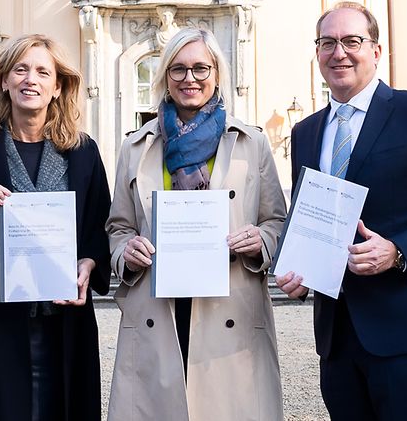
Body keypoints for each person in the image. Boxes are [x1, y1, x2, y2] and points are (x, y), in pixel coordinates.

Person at [277, 2, 407, 421]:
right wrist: (295, 269)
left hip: (405, 328)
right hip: (336, 333)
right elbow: (307, 214)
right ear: (317, 53)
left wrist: (398, 249)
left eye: (352, 41)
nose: (339, 53)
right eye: (327, 43)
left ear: (376, 51)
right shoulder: (306, 131)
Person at [106, 27, 287, 421]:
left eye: (201, 69)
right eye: (179, 69)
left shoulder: (251, 143)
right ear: (164, 76)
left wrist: (260, 240)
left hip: (230, 310)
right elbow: (118, 227)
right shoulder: (136, 147)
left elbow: (275, 220)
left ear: (217, 74)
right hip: (158, 309)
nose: (190, 79)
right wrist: (126, 251)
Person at [0, 34, 111, 421]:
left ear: (58, 86)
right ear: (4, 81)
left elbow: (102, 229)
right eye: (21, 69)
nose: (31, 79)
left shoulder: (83, 153)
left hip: (64, 320)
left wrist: (90, 264)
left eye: (43, 72)